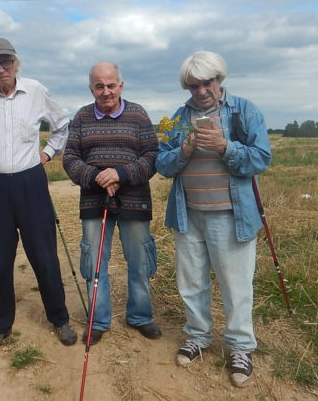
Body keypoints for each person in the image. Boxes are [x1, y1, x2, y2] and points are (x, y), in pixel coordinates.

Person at [155, 51, 271, 387]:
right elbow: (161, 163)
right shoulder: (177, 118)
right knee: (191, 283)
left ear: (220, 79)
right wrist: (184, 151)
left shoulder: (244, 111)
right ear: (186, 86)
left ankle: (239, 347)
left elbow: (261, 158)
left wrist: (225, 147)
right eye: (194, 85)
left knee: (236, 286)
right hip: (188, 214)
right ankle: (197, 335)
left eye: (208, 82)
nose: (201, 90)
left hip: (230, 216)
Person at [0, 38, 77, 354]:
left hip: (31, 182)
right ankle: (0, 325)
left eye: (7, 62)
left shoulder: (36, 90)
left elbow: (62, 124)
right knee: (0, 259)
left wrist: (49, 152)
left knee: (44, 255)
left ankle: (59, 318)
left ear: (16, 64)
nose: (2, 69)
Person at [63, 62, 161, 346]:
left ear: (121, 85)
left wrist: (121, 174)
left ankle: (141, 316)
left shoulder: (139, 114)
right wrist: (98, 178)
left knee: (140, 261)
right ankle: (98, 319)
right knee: (94, 262)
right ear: (91, 87)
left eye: (111, 85)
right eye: (99, 86)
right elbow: (70, 159)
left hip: (135, 201)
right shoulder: (81, 117)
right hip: (94, 201)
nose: (105, 92)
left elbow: (152, 155)